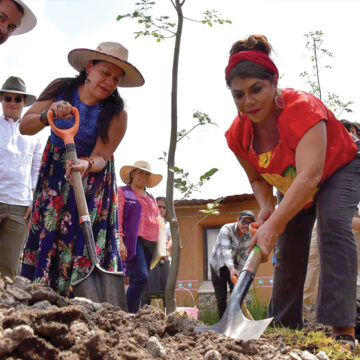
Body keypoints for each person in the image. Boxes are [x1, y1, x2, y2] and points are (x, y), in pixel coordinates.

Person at [224, 34, 360, 349]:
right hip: (296, 183)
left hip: (336, 169)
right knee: (288, 247)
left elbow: (311, 174)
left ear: (274, 82)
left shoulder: (302, 108)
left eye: (256, 90)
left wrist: (273, 225)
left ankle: (342, 330)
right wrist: (267, 208)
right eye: (238, 94)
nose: (249, 101)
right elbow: (257, 176)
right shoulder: (237, 134)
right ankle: (284, 329)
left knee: (332, 227)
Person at [19, 42, 144, 297]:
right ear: (90, 67)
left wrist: (86, 164)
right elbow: (25, 125)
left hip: (93, 181)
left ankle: (82, 295)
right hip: (54, 173)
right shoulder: (61, 89)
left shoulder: (117, 114)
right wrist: (47, 115)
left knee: (83, 237)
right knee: (50, 230)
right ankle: (42, 293)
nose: (110, 82)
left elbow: (101, 155)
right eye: (105, 73)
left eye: (116, 79)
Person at [303, 120, 360, 322]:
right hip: (325, 215)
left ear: (352, 132)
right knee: (313, 265)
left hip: (350, 217)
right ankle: (308, 318)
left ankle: (346, 317)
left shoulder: (356, 155)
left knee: (345, 266)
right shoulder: (330, 155)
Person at [0, 76, 42, 279]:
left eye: (18, 99)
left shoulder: (35, 134)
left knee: (8, 266)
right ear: (1, 99)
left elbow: (36, 170)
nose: (13, 103)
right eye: (8, 97)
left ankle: (4, 310)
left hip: (20, 206)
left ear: (24, 102)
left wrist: (33, 199)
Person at [118, 160, 163, 313]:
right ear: (132, 174)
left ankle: (135, 313)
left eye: (146, 173)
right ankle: (127, 312)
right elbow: (118, 217)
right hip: (133, 240)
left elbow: (158, 220)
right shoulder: (123, 192)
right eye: (139, 172)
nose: (143, 176)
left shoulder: (152, 198)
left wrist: (163, 246)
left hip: (151, 242)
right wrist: (120, 240)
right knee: (141, 276)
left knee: (141, 281)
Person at [209, 210, 255, 318]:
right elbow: (226, 250)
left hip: (235, 267)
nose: (246, 226)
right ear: (238, 220)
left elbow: (244, 258)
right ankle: (223, 325)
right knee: (221, 298)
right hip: (218, 265)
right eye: (244, 222)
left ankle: (235, 323)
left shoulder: (250, 237)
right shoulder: (226, 229)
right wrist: (231, 268)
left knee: (236, 296)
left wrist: (238, 273)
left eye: (249, 223)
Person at [142, 196, 172, 307]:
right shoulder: (148, 222)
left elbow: (171, 239)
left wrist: (166, 251)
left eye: (164, 208)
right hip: (150, 260)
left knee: (166, 291)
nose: (162, 210)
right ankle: (143, 316)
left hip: (164, 260)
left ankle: (168, 317)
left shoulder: (168, 224)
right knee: (147, 292)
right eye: (159, 206)